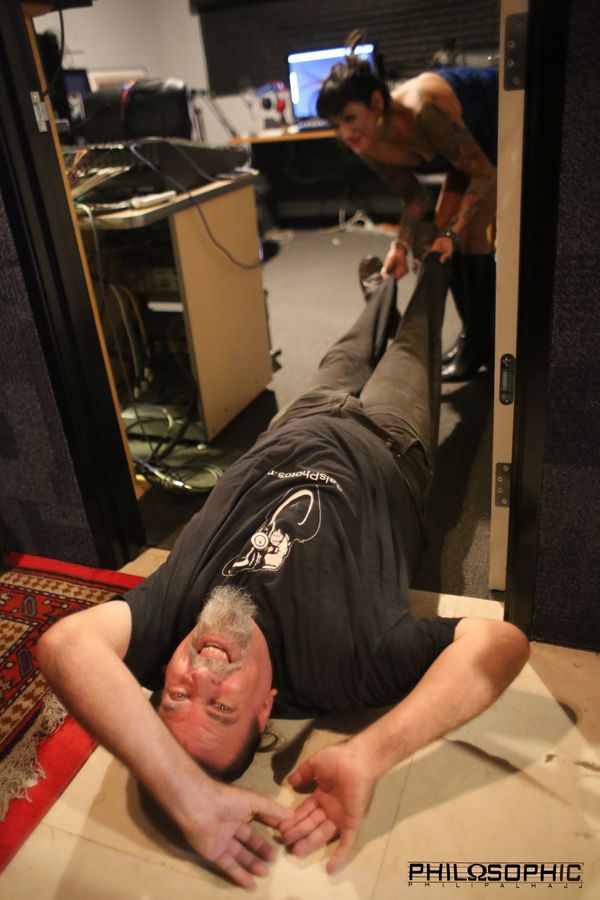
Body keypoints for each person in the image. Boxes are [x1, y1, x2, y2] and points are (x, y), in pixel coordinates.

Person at [37, 256, 529, 888]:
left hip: (297, 417)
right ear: (266, 708)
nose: (201, 674)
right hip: (388, 438)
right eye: (221, 707)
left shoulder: (166, 623)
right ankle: (438, 261)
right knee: (414, 341)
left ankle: (385, 280)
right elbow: (501, 643)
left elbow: (64, 646)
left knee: (356, 335)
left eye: (178, 695)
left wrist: (185, 793)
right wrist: (369, 754)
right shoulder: (348, 664)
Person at [317, 57, 498, 381]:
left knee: (470, 235)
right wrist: (399, 248)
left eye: (350, 118)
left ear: (376, 102)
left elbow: (483, 174)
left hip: (499, 116)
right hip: (464, 152)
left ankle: (482, 345)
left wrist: (454, 234)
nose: (345, 133)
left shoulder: (424, 112)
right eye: (336, 125)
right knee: (437, 234)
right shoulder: (365, 143)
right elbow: (415, 198)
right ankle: (474, 337)